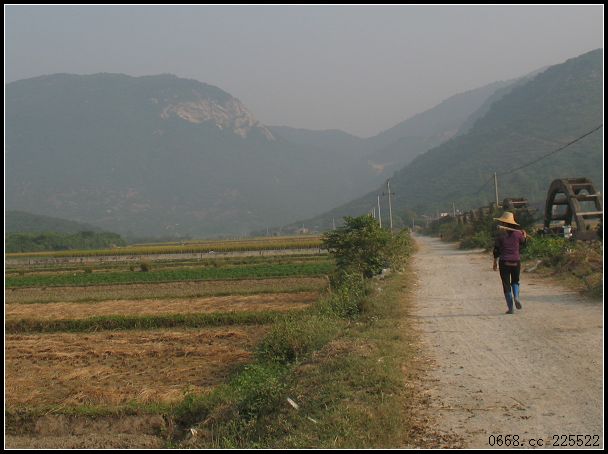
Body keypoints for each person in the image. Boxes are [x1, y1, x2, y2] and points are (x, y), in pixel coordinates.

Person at [492, 211, 527, 314]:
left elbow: (496, 251)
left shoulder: (500, 235)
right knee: (515, 281)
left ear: (504, 223)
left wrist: (495, 262)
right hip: (516, 261)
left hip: (504, 262)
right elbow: (524, 243)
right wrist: (524, 236)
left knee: (506, 284)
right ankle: (516, 297)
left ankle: (511, 308)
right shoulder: (518, 234)